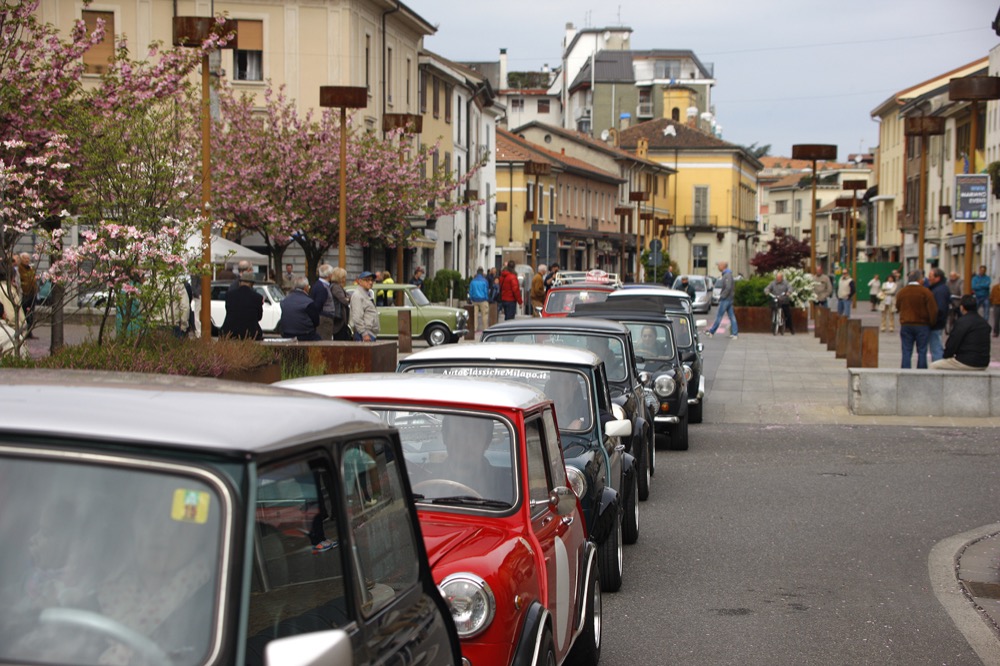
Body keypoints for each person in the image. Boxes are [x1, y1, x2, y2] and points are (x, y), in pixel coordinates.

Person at [435, 414, 512, 503]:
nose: (466, 444)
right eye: (458, 435)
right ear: (445, 437)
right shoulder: (428, 479)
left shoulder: (507, 486)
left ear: (487, 441)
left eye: (475, 436)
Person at [930, 294, 991, 371]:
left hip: (967, 361)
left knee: (934, 366)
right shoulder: (983, 322)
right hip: (983, 362)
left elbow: (953, 343)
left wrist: (946, 356)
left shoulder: (962, 322)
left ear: (962, 307)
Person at [895, 270, 937, 370]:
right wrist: (932, 323)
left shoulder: (902, 292)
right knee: (922, 350)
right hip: (922, 325)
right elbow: (933, 310)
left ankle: (906, 370)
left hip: (906, 324)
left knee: (906, 350)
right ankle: (921, 370)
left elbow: (897, 306)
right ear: (919, 279)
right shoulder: (926, 292)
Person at [221, 270, 263, 340]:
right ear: (252, 284)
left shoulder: (229, 295)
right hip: (251, 333)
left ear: (240, 282)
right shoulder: (258, 297)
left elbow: (228, 311)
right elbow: (259, 317)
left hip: (229, 332)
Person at [705, 260, 738, 340]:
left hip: (726, 299)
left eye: (719, 266)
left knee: (719, 316)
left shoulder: (727, 275)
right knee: (731, 316)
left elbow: (728, 287)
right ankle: (734, 333)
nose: (718, 267)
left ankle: (712, 331)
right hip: (729, 298)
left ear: (723, 266)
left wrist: (722, 296)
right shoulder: (727, 274)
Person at [280, 276, 320, 341]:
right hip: (305, 335)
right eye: (309, 287)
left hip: (287, 334)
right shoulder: (309, 302)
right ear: (306, 287)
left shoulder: (285, 301)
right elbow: (316, 322)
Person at [927, 268, 950, 362]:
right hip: (936, 323)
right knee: (935, 345)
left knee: (936, 346)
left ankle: (938, 364)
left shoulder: (940, 290)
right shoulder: (937, 288)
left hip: (936, 324)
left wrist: (933, 320)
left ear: (937, 278)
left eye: (930, 276)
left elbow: (940, 308)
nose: (928, 278)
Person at [310, 264, 338, 340]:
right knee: (325, 341)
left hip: (323, 318)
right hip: (324, 319)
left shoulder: (318, 285)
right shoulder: (322, 287)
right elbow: (318, 305)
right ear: (330, 275)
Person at [349, 271, 379, 342]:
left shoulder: (367, 293)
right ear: (360, 281)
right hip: (364, 334)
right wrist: (364, 334)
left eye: (372, 280)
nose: (370, 282)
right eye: (367, 280)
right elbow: (357, 317)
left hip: (370, 333)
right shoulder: (358, 295)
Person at [329, 267, 352, 340]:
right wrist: (348, 298)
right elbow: (344, 300)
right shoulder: (336, 287)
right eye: (343, 277)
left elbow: (347, 296)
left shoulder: (338, 287)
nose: (345, 279)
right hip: (339, 319)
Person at [17, 253, 36, 337]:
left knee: (31, 313)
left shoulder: (31, 269)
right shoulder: (19, 269)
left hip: (32, 293)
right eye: (25, 258)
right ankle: (23, 331)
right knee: (24, 313)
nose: (27, 260)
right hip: (24, 294)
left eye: (28, 258)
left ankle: (29, 331)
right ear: (21, 259)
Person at [467, 267, 490, 333]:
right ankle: (485, 328)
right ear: (482, 273)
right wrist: (487, 298)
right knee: (484, 315)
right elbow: (486, 291)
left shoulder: (473, 281)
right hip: (483, 300)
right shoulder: (485, 281)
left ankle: (475, 328)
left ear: (477, 273)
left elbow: (470, 291)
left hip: (474, 300)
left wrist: (471, 298)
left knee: (474, 315)